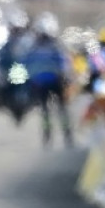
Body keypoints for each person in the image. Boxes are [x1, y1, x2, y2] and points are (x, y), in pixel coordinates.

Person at [25, 12, 74, 147]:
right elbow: (64, 63)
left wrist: (31, 80)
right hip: (55, 81)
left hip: (42, 84)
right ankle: (67, 135)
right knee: (61, 109)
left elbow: (27, 65)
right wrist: (67, 77)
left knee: (45, 110)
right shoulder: (55, 46)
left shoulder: (33, 47)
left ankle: (48, 137)